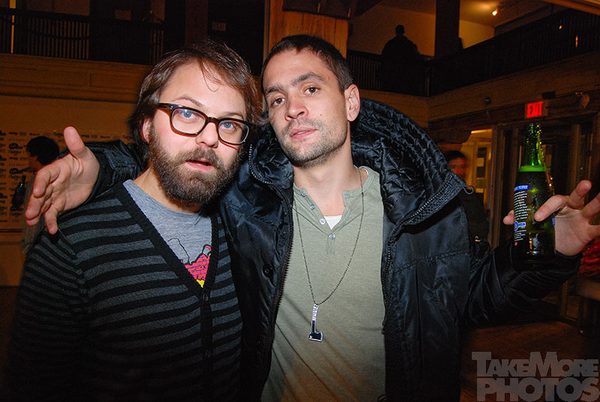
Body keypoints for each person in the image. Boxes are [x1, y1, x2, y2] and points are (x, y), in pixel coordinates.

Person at [24, 35, 600, 401]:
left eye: (310, 88)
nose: (291, 107)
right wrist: (102, 165)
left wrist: (550, 253)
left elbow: (470, 300)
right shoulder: (247, 201)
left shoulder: (423, 211)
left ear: (350, 102)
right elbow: (188, 152)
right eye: (275, 98)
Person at [8, 39, 260, 401]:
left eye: (230, 124)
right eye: (187, 113)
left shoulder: (243, 230)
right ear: (146, 126)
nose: (209, 137)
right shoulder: (72, 246)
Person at [444, 150, 490, 251]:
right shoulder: (438, 196)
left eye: (462, 167)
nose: (459, 171)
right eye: (453, 167)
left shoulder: (472, 197)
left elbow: (481, 227)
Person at [21, 136, 60, 253]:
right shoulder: (58, 178)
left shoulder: (38, 181)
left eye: (29, 155)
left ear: (35, 156)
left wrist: (29, 246)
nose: (28, 160)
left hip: (38, 246)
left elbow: (33, 218)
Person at [380, 24, 422, 94]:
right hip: (404, 77)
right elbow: (416, 57)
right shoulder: (408, 44)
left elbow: (384, 56)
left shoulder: (391, 44)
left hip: (394, 76)